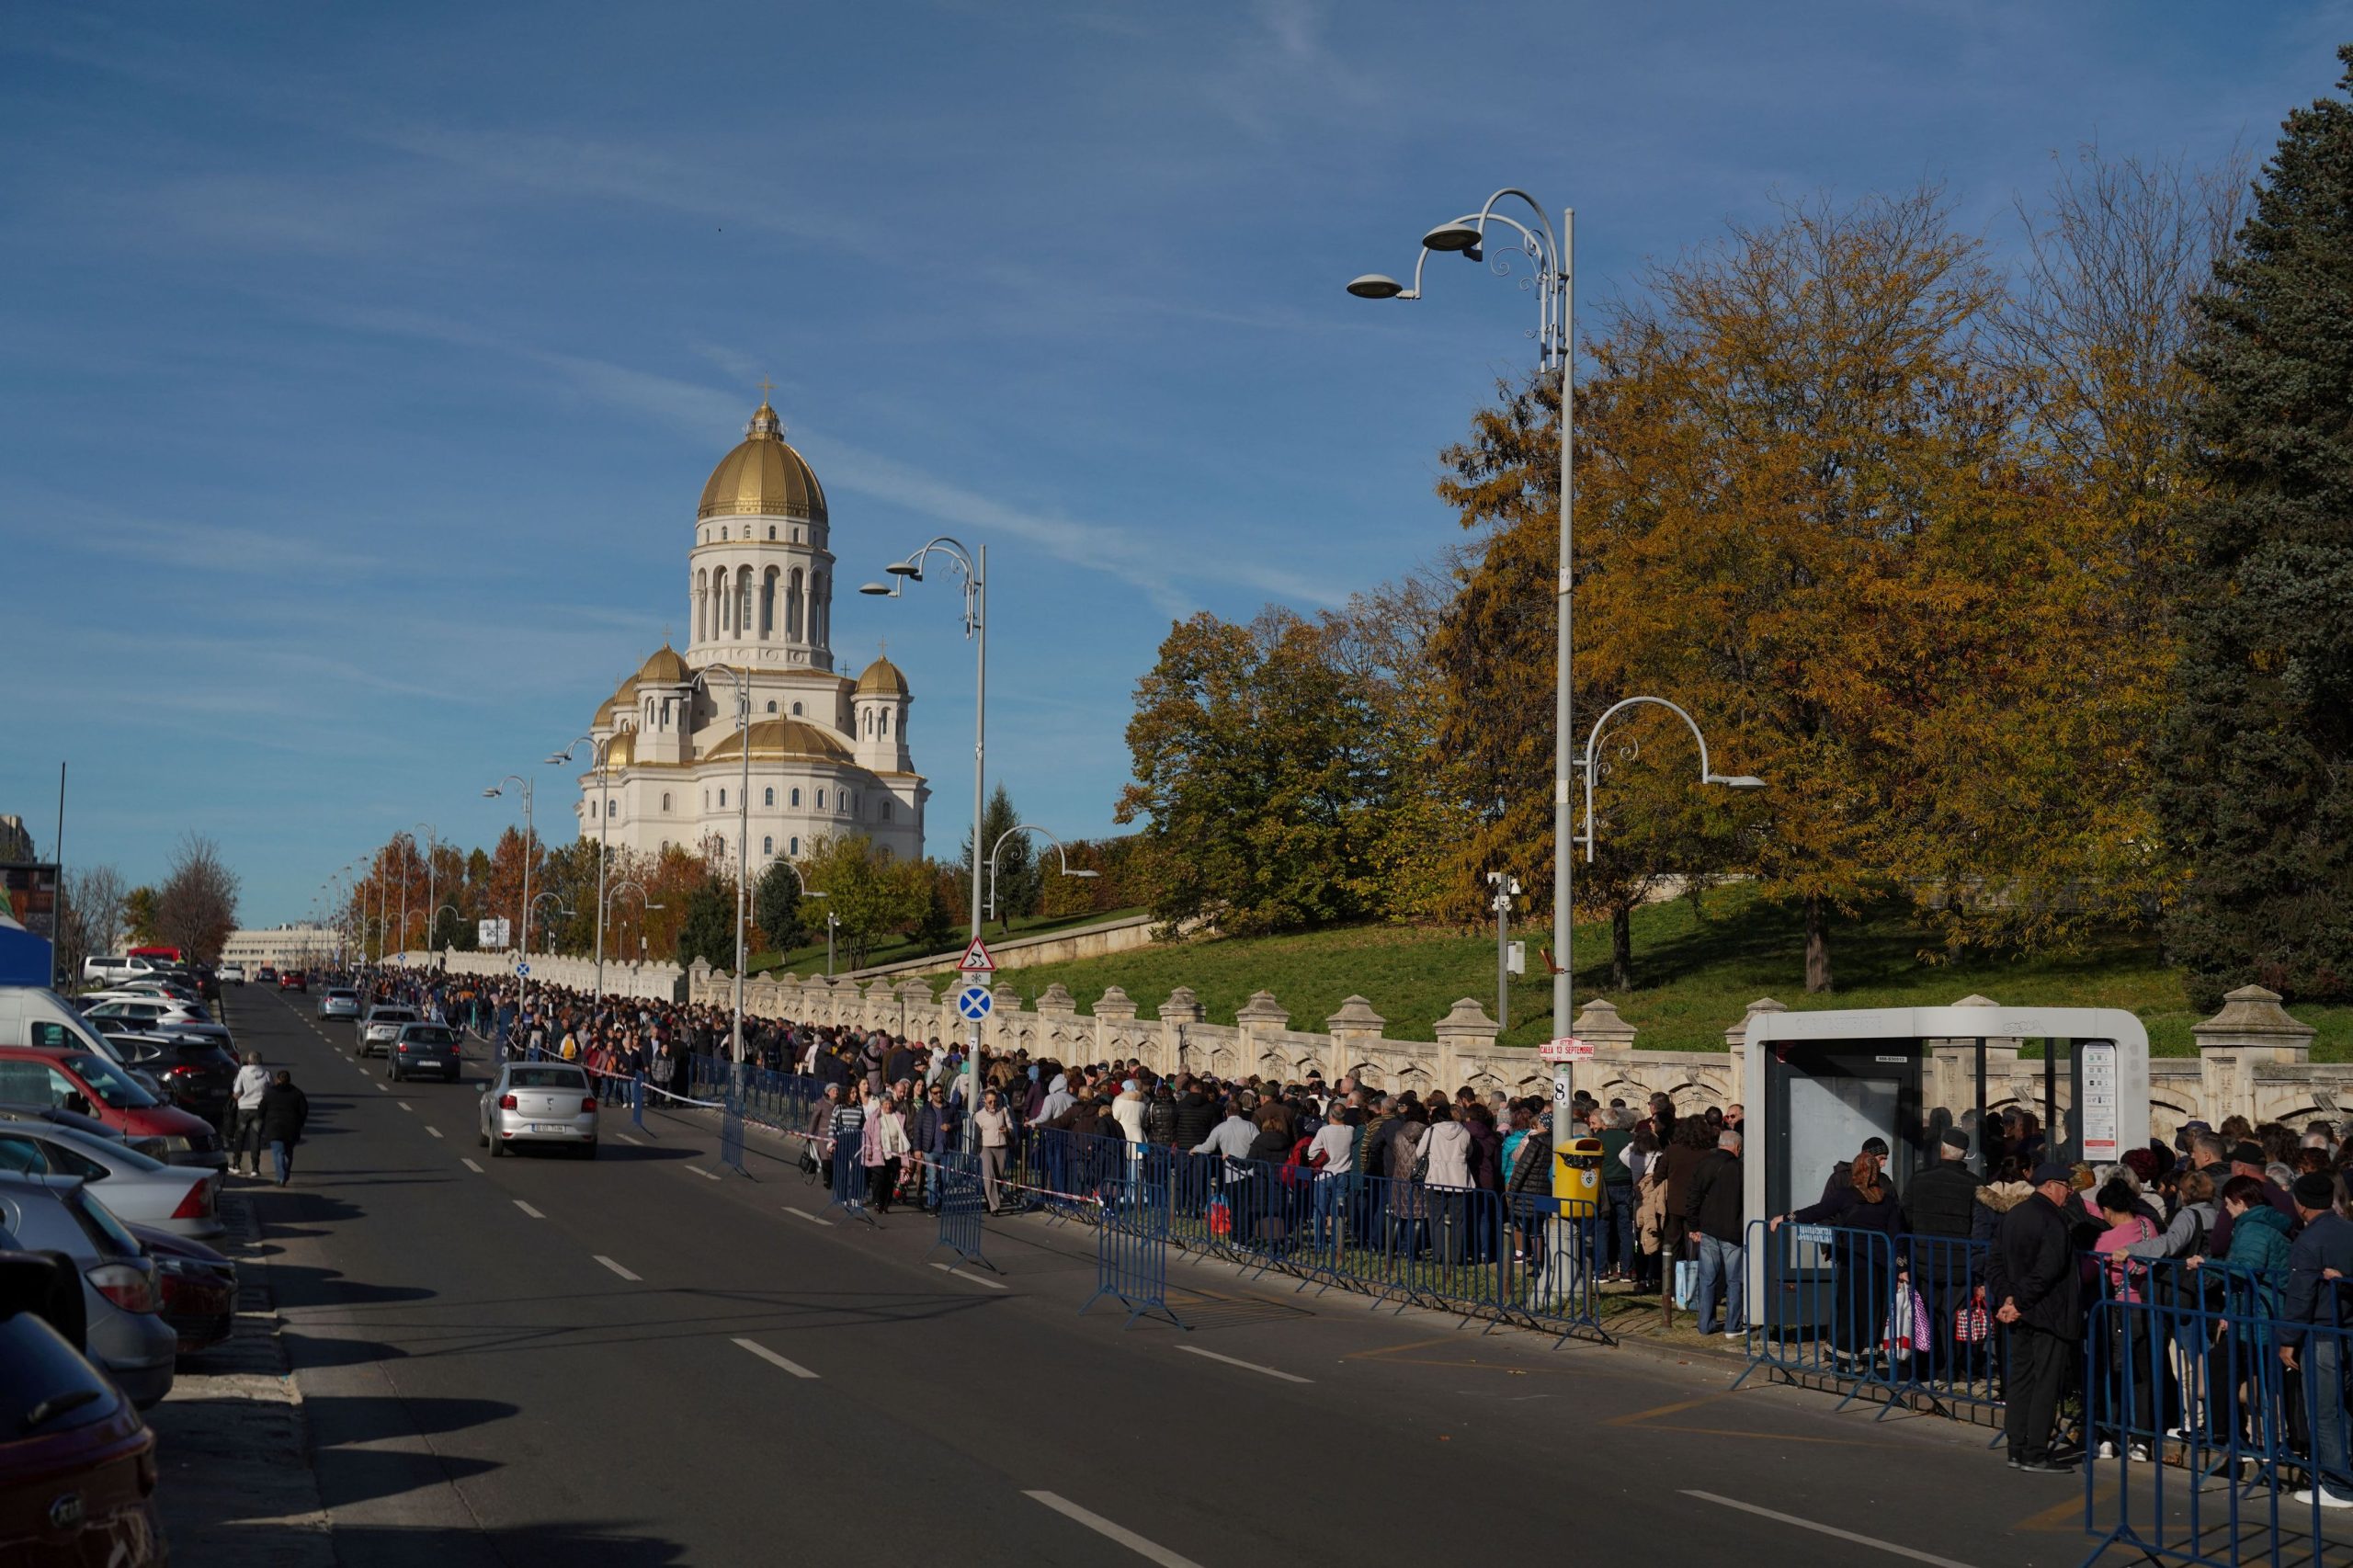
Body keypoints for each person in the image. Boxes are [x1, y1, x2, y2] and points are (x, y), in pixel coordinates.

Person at [1987, 1162, 2082, 1473]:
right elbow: (2048, 1269)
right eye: (2066, 1186)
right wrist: (2017, 1301)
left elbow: (1995, 1261)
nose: (2069, 1192)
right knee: (2045, 1383)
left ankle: (2016, 1446)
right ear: (2051, 1186)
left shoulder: (2014, 1215)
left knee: (2020, 1379)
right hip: (2047, 1313)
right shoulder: (2053, 1220)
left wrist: (2008, 1299)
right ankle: (2036, 1451)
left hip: (2020, 1311)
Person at [2279, 1170, 2353, 1507]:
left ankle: (2339, 1485)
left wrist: (2288, 1340)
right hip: (2345, 1328)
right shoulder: (2348, 1230)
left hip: (2322, 1333)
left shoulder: (2309, 1241)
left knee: (2324, 1412)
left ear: (2302, 1205)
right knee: (2343, 1407)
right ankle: (2343, 1475)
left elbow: (2301, 1296)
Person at [1686, 1129, 1745, 1337]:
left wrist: (1693, 1226)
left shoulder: (1704, 1163)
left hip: (1708, 1228)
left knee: (1707, 1278)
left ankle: (1705, 1324)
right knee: (1734, 1280)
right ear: (1737, 1147)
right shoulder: (1739, 1168)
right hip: (1732, 1230)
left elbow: (1693, 1196)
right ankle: (1732, 1326)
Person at [256, 1070, 310, 1187]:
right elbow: (304, 1110)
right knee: (288, 1152)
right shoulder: (297, 1093)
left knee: (278, 1152)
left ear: (277, 1080)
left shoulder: (270, 1093)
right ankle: (285, 1173)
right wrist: (300, 1123)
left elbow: (261, 1110)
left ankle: (281, 1177)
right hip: (292, 1128)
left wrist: (263, 1121)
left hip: (274, 1127)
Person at [229, 1051, 270, 1177]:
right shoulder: (266, 1073)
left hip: (244, 1109)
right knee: (255, 1137)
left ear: (249, 1061)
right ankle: (255, 1168)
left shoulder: (242, 1072)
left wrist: (239, 1097)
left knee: (240, 1136)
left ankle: (236, 1164)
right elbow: (270, 1091)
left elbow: (237, 1091)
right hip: (259, 1109)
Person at [973, 1088, 1012, 1214]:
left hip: (1001, 1146)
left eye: (995, 1101)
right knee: (989, 1175)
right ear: (985, 1101)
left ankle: (989, 1197)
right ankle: (994, 1206)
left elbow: (1011, 1127)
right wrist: (974, 1152)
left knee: (999, 1176)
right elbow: (977, 1135)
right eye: (990, 1102)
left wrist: (1007, 1130)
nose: (993, 1104)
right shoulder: (979, 1115)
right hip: (986, 1147)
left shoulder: (1003, 1111)